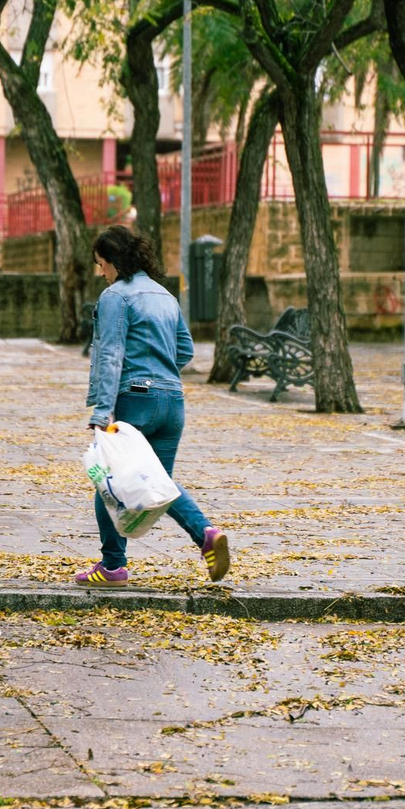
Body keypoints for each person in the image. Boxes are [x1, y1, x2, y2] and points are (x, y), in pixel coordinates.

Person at [79, 224, 231, 586]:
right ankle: (205, 534)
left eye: (102, 264)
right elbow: (185, 350)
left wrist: (101, 411)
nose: (101, 273)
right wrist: (161, 373)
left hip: (137, 401)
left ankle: (113, 565)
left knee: (110, 480)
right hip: (173, 401)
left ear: (114, 260)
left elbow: (111, 354)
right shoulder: (165, 295)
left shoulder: (116, 296)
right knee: (156, 484)